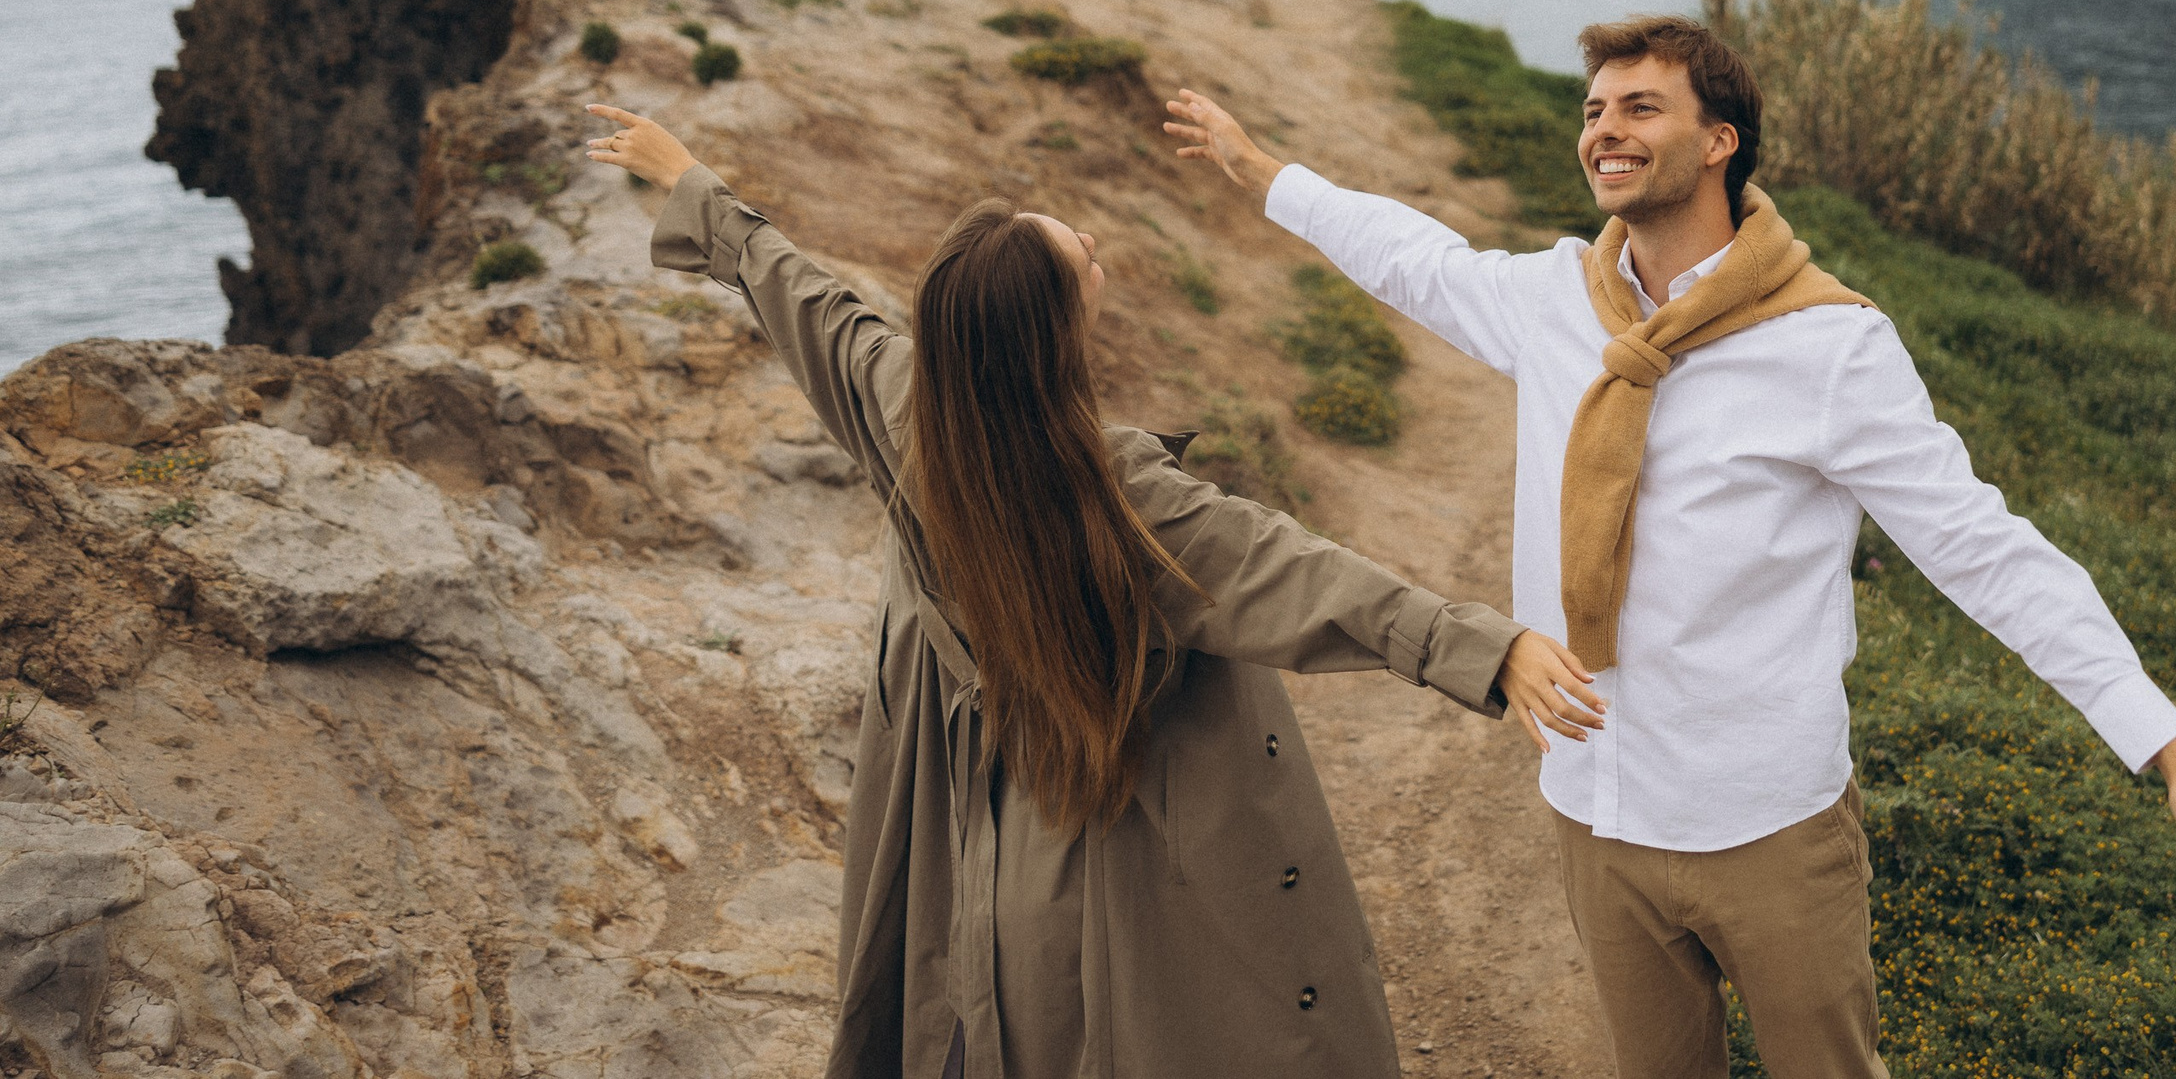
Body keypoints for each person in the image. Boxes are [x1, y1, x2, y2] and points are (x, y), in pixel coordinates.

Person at [1162, 14, 2176, 1079]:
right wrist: (1259, 168)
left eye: (1640, 108)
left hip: (1766, 823)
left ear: (1719, 142)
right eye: (1594, 109)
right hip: (1592, 802)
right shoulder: (1559, 299)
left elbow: (1983, 548)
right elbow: (1413, 257)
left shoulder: (1828, 343)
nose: (1604, 129)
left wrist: (2166, 747)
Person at [581, 103, 1602, 1079]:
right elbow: (1296, 568)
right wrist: (1485, 650)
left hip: (969, 839)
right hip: (1103, 851)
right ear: (1055, 333)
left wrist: (692, 184)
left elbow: (811, 304)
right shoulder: (1117, 492)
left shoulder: (911, 410)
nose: (1091, 233)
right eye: (1082, 253)